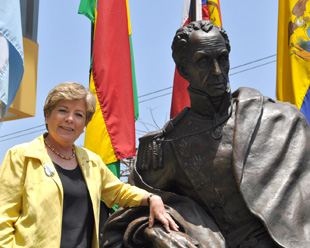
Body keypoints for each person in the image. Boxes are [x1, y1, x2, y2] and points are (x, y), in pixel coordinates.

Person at [101, 20, 310, 248]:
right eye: (204, 62)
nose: (217, 72)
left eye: (222, 58)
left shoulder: (280, 121)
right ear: (183, 69)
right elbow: (131, 216)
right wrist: (159, 233)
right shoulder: (166, 146)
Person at [0, 82, 178, 248]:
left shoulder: (92, 162)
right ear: (47, 115)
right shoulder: (21, 156)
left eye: (78, 115)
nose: (70, 119)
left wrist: (152, 198)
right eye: (62, 110)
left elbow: (119, 191)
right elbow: (1, 221)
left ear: (84, 124)